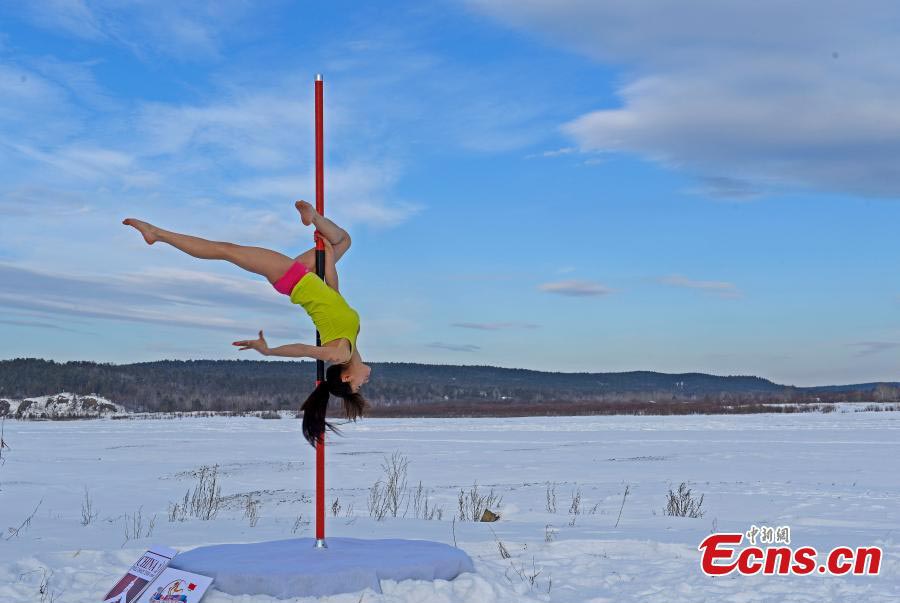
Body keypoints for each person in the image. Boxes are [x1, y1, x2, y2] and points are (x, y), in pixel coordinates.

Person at [123, 201, 370, 446]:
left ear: (347, 378)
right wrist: (328, 259)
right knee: (343, 241)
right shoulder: (351, 345)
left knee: (227, 250)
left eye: (359, 385)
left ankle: (157, 234)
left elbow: (303, 350)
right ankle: (314, 218)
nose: (365, 382)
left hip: (292, 277)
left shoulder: (338, 353)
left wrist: (269, 351)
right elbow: (334, 294)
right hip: (306, 276)